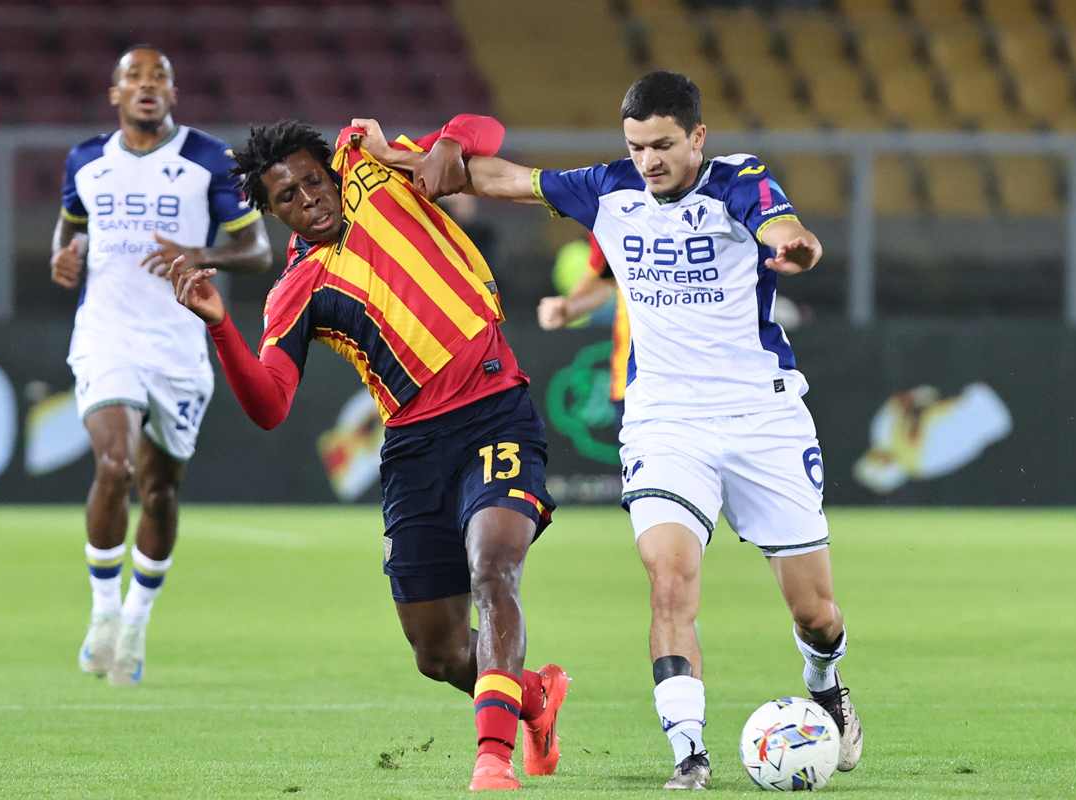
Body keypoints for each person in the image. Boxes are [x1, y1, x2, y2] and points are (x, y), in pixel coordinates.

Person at [388, 70, 864, 789]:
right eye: (637, 146)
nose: (649, 161)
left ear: (698, 137)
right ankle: (688, 753)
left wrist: (798, 248)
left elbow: (785, 229)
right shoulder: (608, 187)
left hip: (762, 418)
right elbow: (503, 178)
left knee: (816, 612)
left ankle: (825, 682)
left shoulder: (739, 182)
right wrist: (399, 158)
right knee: (669, 582)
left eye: (664, 146)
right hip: (664, 420)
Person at [170, 115, 566, 792]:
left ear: (330, 170)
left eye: (312, 181)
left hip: (495, 410)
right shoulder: (295, 291)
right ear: (273, 214)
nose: (309, 199)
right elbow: (269, 405)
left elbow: (486, 131)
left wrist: (448, 144)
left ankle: (492, 759)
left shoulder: (374, 166)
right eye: (287, 196)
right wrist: (220, 327)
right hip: (414, 450)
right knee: (438, 653)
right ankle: (532, 696)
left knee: (494, 567)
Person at [51, 45, 272, 686]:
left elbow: (258, 249)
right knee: (114, 465)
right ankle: (102, 611)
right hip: (106, 334)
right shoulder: (86, 160)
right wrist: (63, 256)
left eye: (159, 77)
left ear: (173, 93)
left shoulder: (209, 159)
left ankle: (135, 620)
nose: (146, 86)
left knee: (160, 490)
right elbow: (70, 230)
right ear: (115, 93)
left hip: (177, 346)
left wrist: (201, 253)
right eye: (134, 77)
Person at [537, 235, 629, 423]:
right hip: (633, 383)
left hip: (694, 380)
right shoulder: (616, 221)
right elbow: (605, 281)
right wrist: (568, 308)